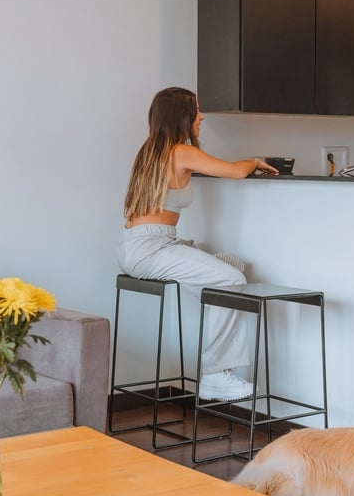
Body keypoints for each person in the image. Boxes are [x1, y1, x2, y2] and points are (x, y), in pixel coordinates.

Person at [116, 86, 278, 401]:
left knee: (231, 266)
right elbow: (234, 172)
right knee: (232, 280)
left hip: (139, 247)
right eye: (196, 111)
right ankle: (215, 374)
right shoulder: (180, 151)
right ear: (182, 117)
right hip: (152, 249)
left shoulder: (150, 150)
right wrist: (255, 160)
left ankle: (219, 364)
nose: (201, 116)